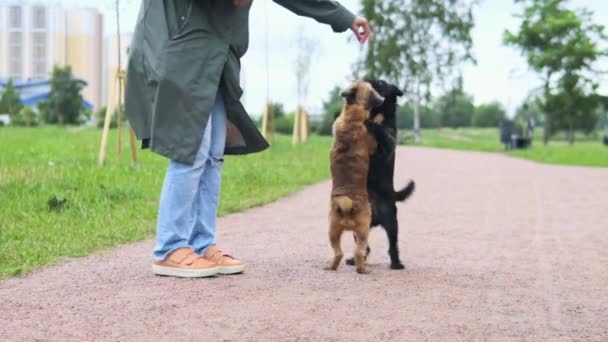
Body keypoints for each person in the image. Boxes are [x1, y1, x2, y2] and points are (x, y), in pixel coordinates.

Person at [125, 0, 372, 278]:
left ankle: (201, 243)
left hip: (217, 56)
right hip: (182, 53)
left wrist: (343, 16)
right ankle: (169, 248)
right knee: (192, 150)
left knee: (213, 155)